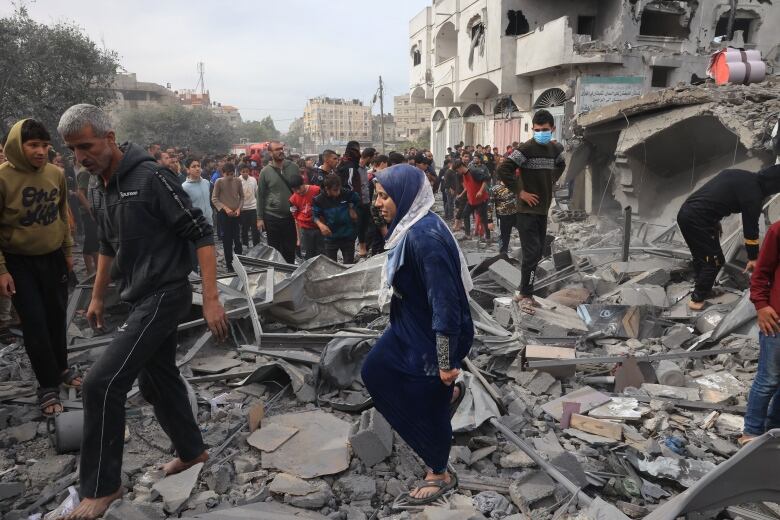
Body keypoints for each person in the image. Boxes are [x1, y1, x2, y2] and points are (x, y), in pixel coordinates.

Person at [58, 103, 228, 520]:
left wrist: (210, 298)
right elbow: (108, 247)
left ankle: (102, 487)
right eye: (73, 150)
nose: (81, 156)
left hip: (165, 294)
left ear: (110, 138)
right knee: (159, 380)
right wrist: (97, 296)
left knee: (101, 383)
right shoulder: (97, 186)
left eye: (87, 146)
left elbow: (202, 233)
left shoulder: (152, 177)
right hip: (137, 296)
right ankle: (193, 452)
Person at [362, 164, 473, 506]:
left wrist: (445, 361)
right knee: (374, 370)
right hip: (410, 325)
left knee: (430, 399)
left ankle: (439, 471)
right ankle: (449, 394)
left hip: (435, 335)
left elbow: (446, 305)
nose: (378, 203)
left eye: (384, 196)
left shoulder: (425, 238)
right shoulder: (410, 224)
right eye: (377, 195)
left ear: (405, 196)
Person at [0, 119, 76, 416]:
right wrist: (2, 269)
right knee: (35, 322)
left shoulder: (56, 175)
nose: (41, 151)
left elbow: (61, 216)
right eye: (33, 145)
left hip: (53, 256)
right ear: (18, 146)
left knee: (57, 317)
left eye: (44, 145)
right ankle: (47, 386)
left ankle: (62, 370)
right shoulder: (3, 178)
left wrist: (68, 252)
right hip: (19, 261)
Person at [678, 165, 780, 310]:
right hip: (697, 220)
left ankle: (702, 290)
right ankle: (697, 300)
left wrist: (714, 220)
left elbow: (714, 195)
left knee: (702, 257)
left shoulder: (740, 175)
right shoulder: (753, 195)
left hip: (688, 213)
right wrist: (753, 257)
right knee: (715, 261)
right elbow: (750, 229)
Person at [497, 109, 565, 308]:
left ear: (552, 129)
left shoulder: (555, 149)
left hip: (542, 210)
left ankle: (524, 292)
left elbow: (561, 164)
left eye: (545, 129)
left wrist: (551, 179)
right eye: (537, 130)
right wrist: (521, 192)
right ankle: (526, 294)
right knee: (532, 252)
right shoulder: (526, 149)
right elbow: (504, 168)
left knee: (536, 253)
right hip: (527, 210)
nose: (541, 132)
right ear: (533, 129)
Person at [743, 217, 780, 445]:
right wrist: (761, 305)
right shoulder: (778, 229)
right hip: (776, 321)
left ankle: (773, 431)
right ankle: (751, 433)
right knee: (768, 380)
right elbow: (761, 273)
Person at [257, 141, 299, 263]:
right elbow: (260, 195)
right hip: (272, 216)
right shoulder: (265, 172)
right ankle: (277, 276)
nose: (280, 151)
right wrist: (259, 218)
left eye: (281, 148)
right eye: (277, 149)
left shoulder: (293, 167)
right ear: (270, 153)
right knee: (275, 250)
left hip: (290, 217)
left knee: (290, 249)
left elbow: (299, 190)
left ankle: (290, 276)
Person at [313, 174, 360, 264]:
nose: (338, 192)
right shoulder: (319, 200)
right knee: (331, 266)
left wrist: (352, 208)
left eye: (339, 189)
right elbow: (315, 216)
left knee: (349, 265)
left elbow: (357, 200)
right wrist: (320, 225)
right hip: (331, 238)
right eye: (335, 190)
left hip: (348, 235)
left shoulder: (346, 193)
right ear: (327, 188)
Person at [182, 158, 213, 273]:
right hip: (194, 227)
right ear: (188, 170)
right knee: (194, 258)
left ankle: (207, 280)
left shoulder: (206, 183)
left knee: (208, 258)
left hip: (208, 224)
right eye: (193, 166)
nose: (197, 168)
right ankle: (194, 283)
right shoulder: (184, 187)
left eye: (198, 166)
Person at [212, 163, 244, 271]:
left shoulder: (238, 181)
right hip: (224, 215)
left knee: (238, 240)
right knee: (227, 241)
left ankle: (239, 262)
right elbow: (214, 199)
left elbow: (242, 197)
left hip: (236, 214)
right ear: (223, 173)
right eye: (228, 174)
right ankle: (230, 265)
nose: (230, 176)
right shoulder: (219, 182)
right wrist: (226, 209)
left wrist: (239, 209)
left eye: (232, 174)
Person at [289, 174, 323, 260]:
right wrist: (298, 238)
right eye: (294, 190)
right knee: (308, 256)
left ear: (303, 183)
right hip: (306, 230)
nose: (298, 192)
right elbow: (296, 219)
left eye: (299, 188)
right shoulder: (292, 200)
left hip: (319, 228)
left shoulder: (316, 190)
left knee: (321, 254)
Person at [75, 163, 99, 275]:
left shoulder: (90, 169)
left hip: (92, 211)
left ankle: (91, 270)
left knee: (90, 241)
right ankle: (95, 270)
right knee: (93, 240)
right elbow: (80, 193)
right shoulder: (85, 172)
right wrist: (90, 210)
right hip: (88, 212)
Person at [459, 157, 491, 241]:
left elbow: (485, 179)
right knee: (465, 214)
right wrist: (462, 194)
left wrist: (480, 191)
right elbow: (468, 186)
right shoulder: (463, 175)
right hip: (471, 200)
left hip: (481, 200)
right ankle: (468, 235)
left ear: (461, 167)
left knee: (483, 218)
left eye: (457, 170)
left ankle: (487, 236)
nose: (457, 172)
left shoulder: (473, 172)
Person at [492, 173, 521, 257]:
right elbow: (490, 205)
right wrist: (489, 220)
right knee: (504, 236)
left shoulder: (514, 186)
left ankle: (528, 251)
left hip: (515, 215)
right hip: (503, 217)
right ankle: (503, 255)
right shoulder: (495, 189)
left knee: (524, 231)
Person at [356, 148, 376, 258]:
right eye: (372, 158)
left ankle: (365, 246)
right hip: (359, 202)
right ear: (369, 157)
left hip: (366, 201)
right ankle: (362, 247)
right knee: (360, 225)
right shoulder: (356, 168)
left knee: (368, 224)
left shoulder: (365, 169)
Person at [238, 164, 260, 248]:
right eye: (243, 172)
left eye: (247, 171)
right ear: (240, 172)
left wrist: (257, 204)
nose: (245, 173)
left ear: (249, 171)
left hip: (253, 207)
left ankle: (256, 245)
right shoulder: (238, 181)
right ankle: (245, 245)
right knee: (244, 228)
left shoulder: (253, 180)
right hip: (243, 208)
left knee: (255, 228)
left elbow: (256, 192)